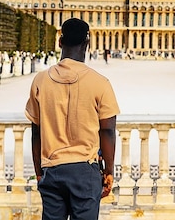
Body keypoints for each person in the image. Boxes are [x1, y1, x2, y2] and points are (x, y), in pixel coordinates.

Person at [25, 18, 120, 220]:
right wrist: (109, 171)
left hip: (52, 170)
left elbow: (36, 132)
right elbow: (108, 131)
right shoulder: (100, 83)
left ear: (60, 42)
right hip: (85, 171)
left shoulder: (40, 80)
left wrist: (39, 172)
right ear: (87, 43)